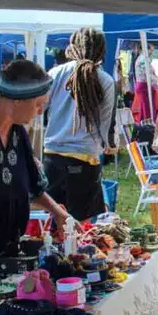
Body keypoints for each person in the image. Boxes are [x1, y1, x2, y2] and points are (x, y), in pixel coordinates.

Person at [0, 60, 71, 266]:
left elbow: (34, 183)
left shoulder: (18, 132)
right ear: (17, 100)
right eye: (37, 104)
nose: (41, 111)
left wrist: (60, 213)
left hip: (8, 249)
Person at [44, 28, 116, 222]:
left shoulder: (55, 73)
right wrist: (107, 146)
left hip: (52, 157)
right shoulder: (105, 80)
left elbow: (39, 111)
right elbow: (104, 125)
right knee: (82, 226)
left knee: (53, 222)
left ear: (73, 47)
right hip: (84, 160)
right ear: (102, 51)